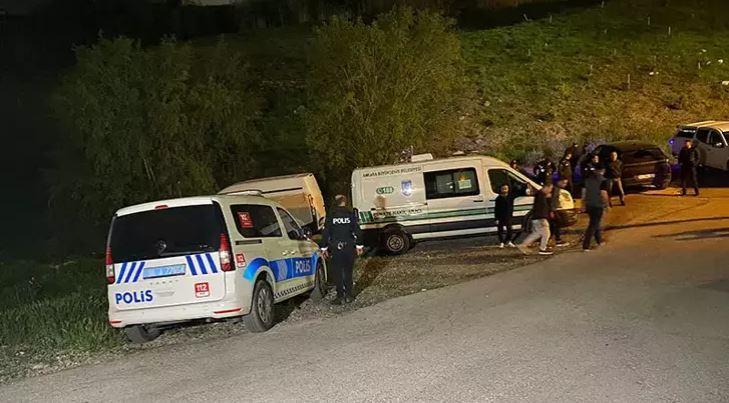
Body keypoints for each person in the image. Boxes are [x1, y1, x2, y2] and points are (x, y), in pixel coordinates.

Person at [320, 195, 364, 305]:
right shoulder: (350, 215)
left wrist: (324, 248)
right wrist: (359, 246)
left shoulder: (331, 216)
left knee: (338, 272)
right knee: (348, 271)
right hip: (349, 247)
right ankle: (349, 295)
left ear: (335, 203)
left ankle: (340, 296)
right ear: (345, 202)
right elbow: (358, 232)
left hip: (336, 248)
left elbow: (326, 233)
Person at [518, 183, 553, 255]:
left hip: (537, 217)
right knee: (546, 233)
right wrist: (543, 218)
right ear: (546, 187)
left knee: (537, 233)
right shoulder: (541, 196)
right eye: (550, 188)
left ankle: (523, 245)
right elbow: (542, 208)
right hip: (540, 218)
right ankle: (542, 249)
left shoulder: (540, 195)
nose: (550, 190)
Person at [581, 167, 609, 251]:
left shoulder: (586, 180)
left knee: (595, 222)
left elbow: (583, 194)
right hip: (598, 204)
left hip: (589, 204)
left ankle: (599, 240)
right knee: (593, 225)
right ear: (602, 170)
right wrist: (606, 204)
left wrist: (583, 205)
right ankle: (586, 245)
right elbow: (603, 194)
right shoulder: (603, 180)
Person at [549, 178, 571, 247]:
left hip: (555, 209)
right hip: (556, 210)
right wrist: (552, 210)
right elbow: (554, 200)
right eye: (564, 183)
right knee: (556, 225)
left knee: (554, 225)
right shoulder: (556, 189)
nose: (565, 185)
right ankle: (557, 240)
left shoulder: (555, 189)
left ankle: (554, 239)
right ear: (559, 182)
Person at [494, 184, 516, 248]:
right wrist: (496, 218)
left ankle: (508, 241)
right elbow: (496, 209)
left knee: (510, 229)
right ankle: (501, 242)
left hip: (508, 215)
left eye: (506, 188)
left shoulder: (510, 197)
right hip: (500, 216)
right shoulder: (498, 198)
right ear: (501, 189)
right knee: (500, 230)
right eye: (503, 189)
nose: (504, 190)